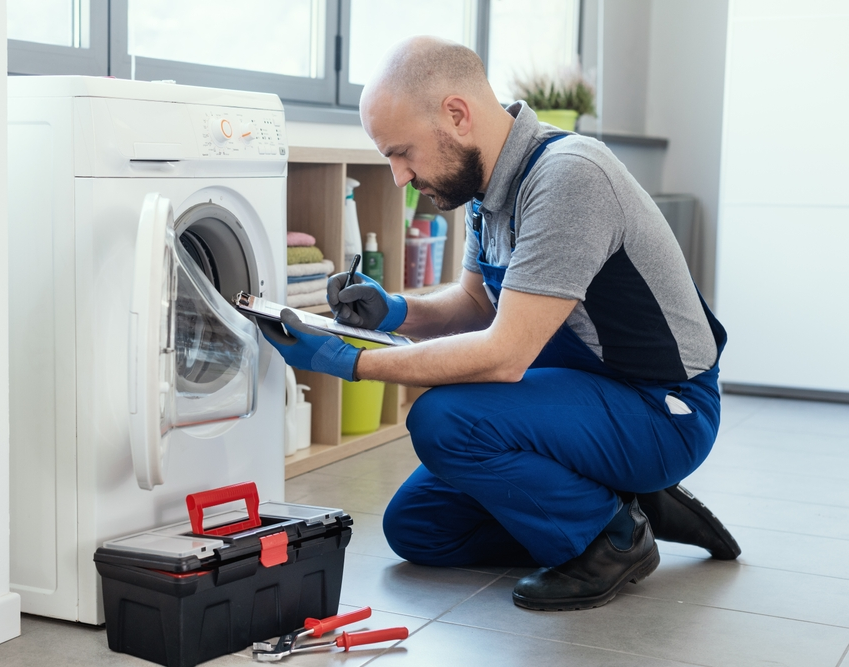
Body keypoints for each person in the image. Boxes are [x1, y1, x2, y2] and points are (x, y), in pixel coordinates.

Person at [259, 36, 740, 611]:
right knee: (419, 528)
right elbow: (476, 302)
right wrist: (396, 311)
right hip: (581, 395)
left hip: (661, 410)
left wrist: (352, 361)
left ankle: (613, 537)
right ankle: (615, 496)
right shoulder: (484, 189)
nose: (399, 176)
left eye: (402, 152)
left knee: (442, 419)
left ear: (457, 115)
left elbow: (504, 354)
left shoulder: (569, 177)